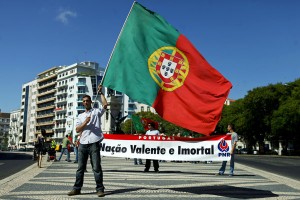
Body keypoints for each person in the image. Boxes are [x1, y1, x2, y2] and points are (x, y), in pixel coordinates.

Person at [68, 84, 108, 197]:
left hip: (94, 143)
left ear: (91, 101)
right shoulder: (80, 116)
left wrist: (100, 93)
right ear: (83, 103)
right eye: (84, 101)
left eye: (87, 100)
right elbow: (77, 130)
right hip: (83, 144)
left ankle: (100, 189)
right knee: (80, 168)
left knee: (96, 167)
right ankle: (77, 188)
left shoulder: (96, 112)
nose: (86, 102)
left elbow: (105, 105)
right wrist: (85, 122)